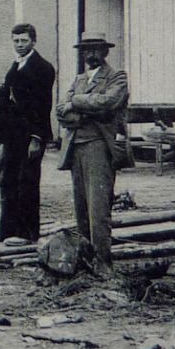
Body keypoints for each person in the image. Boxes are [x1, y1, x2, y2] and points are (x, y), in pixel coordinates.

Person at [55, 34, 129, 274]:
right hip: (76, 146)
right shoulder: (78, 80)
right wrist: (83, 110)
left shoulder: (117, 77)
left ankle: (103, 263)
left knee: (98, 208)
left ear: (105, 52)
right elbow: (60, 113)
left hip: (100, 146)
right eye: (86, 51)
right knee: (81, 208)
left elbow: (108, 103)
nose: (91, 55)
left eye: (96, 50)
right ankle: (86, 261)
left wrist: (76, 103)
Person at [0, 23, 57, 242]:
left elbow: (42, 106)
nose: (19, 45)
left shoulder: (43, 68)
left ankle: (28, 234)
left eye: (24, 41)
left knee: (27, 183)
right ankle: (7, 232)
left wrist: (37, 138)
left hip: (30, 136)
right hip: (13, 135)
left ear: (34, 42)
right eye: (16, 41)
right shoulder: (15, 66)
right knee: (8, 181)